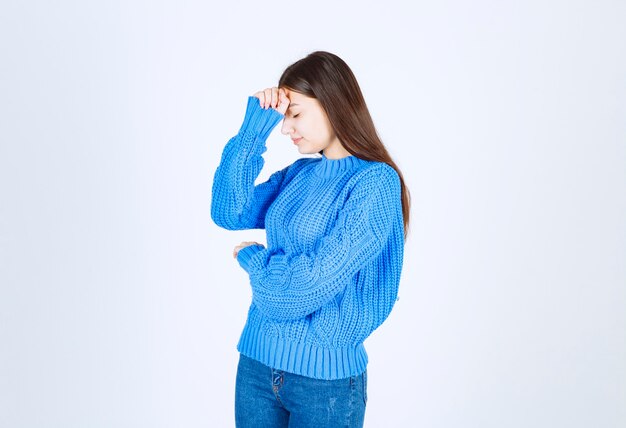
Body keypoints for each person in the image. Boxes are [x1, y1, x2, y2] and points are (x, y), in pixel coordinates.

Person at [210, 50, 411, 428]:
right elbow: (228, 210)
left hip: (325, 385)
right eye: (285, 116)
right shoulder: (300, 173)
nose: (286, 128)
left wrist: (255, 260)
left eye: (295, 113)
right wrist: (255, 128)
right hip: (255, 366)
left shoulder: (376, 183)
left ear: (334, 103)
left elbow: (306, 284)